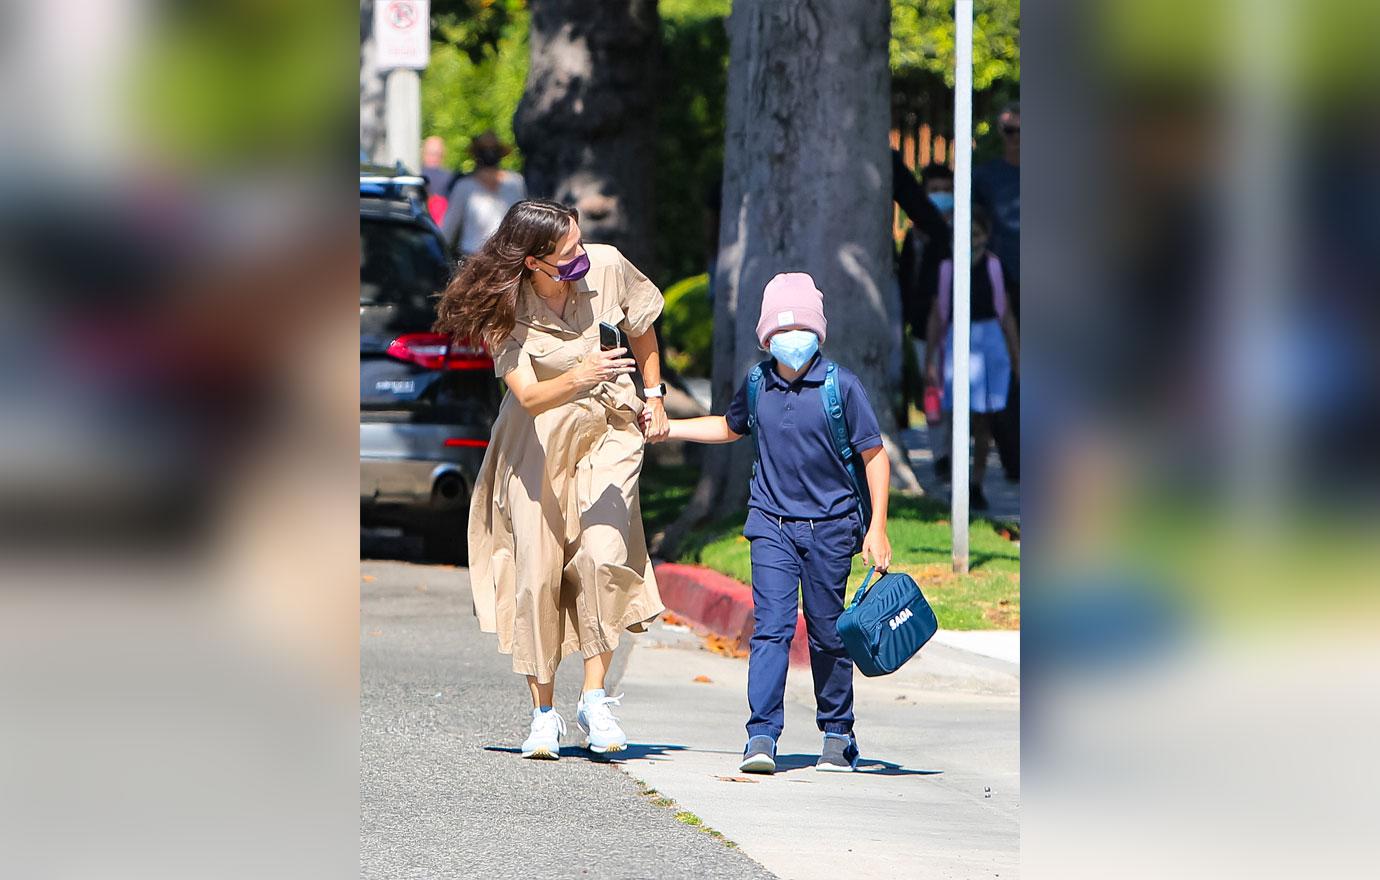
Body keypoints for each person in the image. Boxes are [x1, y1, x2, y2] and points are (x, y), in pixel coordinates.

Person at [433, 199, 671, 760]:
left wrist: (654, 397)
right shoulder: (504, 307)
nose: (580, 257)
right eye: (567, 253)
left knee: (604, 553)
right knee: (537, 570)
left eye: (580, 243)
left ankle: (594, 699)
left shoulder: (608, 266)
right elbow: (530, 395)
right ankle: (543, 714)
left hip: (610, 429)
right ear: (535, 261)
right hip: (536, 440)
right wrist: (584, 371)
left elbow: (643, 330)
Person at [655, 273, 893, 774]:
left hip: (831, 527)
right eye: (781, 330)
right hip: (771, 523)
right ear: (765, 337)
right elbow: (727, 426)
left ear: (818, 332)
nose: (792, 338)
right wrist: (668, 427)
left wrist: (878, 528)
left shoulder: (840, 387)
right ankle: (761, 735)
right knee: (772, 629)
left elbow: (875, 456)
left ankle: (837, 732)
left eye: (802, 327)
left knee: (829, 632)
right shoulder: (758, 382)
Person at [924, 206, 1020, 511]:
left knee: (983, 420)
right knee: (956, 418)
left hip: (989, 343)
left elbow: (1006, 315)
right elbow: (938, 316)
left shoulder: (993, 266)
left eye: (977, 234)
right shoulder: (947, 269)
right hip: (956, 343)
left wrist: (1017, 358)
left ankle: (976, 481)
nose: (971, 241)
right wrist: (929, 361)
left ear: (986, 236)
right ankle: (957, 480)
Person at [974, 103, 1021, 480]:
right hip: (1001, 290)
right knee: (1005, 375)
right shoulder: (986, 177)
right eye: (1011, 131)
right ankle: (1012, 459)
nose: (1018, 139)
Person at [440, 131, 528, 256]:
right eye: (485, 150)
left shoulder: (515, 183)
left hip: (509, 259)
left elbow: (524, 224)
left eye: (493, 150)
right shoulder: (464, 186)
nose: (489, 154)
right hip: (474, 259)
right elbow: (448, 229)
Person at [420, 136, 455, 225]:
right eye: (431, 153)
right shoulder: (452, 179)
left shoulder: (414, 176)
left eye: (436, 154)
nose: (433, 158)